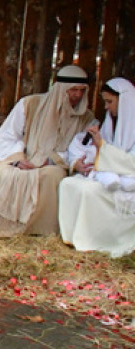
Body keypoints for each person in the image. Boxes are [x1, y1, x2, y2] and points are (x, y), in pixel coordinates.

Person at [0, 65, 92, 238]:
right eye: (73, 90)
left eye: (81, 90)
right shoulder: (30, 104)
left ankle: (40, 233)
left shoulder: (87, 118)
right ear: (61, 89)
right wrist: (17, 159)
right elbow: (7, 135)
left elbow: (80, 148)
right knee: (5, 175)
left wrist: (53, 160)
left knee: (51, 177)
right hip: (24, 158)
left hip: (56, 163)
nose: (78, 95)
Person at [58, 78, 135, 257]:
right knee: (69, 184)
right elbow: (87, 148)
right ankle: (73, 237)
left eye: (110, 102)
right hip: (108, 174)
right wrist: (80, 161)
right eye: (105, 102)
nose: (106, 107)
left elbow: (131, 163)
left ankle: (94, 240)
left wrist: (103, 147)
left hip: (128, 180)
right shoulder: (109, 123)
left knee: (89, 191)